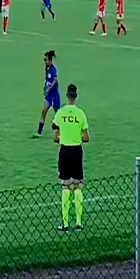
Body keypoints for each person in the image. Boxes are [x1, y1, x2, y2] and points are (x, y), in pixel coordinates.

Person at [52, 83, 90, 231]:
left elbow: (55, 137)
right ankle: (79, 223)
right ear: (76, 96)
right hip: (77, 151)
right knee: (78, 185)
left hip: (65, 151)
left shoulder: (60, 113)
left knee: (65, 186)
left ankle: (65, 223)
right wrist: (76, 136)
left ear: (67, 96)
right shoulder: (81, 114)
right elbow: (86, 138)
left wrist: (64, 137)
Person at [33, 50, 59, 138]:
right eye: (44, 60)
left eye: (46, 60)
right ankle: (39, 132)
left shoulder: (53, 70)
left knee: (58, 115)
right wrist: (45, 87)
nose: (45, 62)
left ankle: (62, 132)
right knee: (43, 112)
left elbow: (55, 81)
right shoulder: (47, 69)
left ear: (50, 60)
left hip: (54, 96)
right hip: (48, 96)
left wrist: (49, 88)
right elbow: (47, 80)